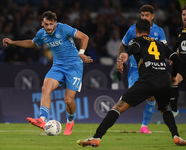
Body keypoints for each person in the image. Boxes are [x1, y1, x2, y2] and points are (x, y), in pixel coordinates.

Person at [76, 19, 186, 147]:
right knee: (164, 109)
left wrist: (126, 54)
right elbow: (176, 59)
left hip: (147, 81)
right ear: (149, 32)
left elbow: (134, 47)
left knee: (117, 107)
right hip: (164, 81)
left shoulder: (137, 40)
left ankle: (96, 137)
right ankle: (176, 136)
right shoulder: (160, 44)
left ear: (136, 31)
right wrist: (173, 77)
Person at [2, 11, 93, 135]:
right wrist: (13, 42)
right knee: (46, 87)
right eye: (46, 24)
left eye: (51, 24)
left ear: (55, 23)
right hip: (58, 66)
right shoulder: (41, 33)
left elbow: (84, 37)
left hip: (74, 66)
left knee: (68, 100)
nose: (49, 27)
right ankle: (42, 119)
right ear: (42, 23)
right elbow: (31, 43)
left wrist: (81, 53)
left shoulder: (64, 28)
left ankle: (70, 121)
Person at [118, 4, 167, 134]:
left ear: (152, 16)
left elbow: (164, 50)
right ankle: (115, 111)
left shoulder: (159, 31)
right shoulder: (133, 29)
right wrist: (120, 61)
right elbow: (122, 45)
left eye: (147, 15)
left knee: (151, 97)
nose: (144, 17)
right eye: (142, 15)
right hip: (135, 69)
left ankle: (144, 126)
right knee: (132, 95)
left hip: (151, 70)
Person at [170, 5, 186, 117]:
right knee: (174, 82)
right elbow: (177, 45)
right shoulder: (179, 31)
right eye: (184, 15)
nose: (185, 17)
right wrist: (172, 55)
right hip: (182, 65)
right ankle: (174, 110)